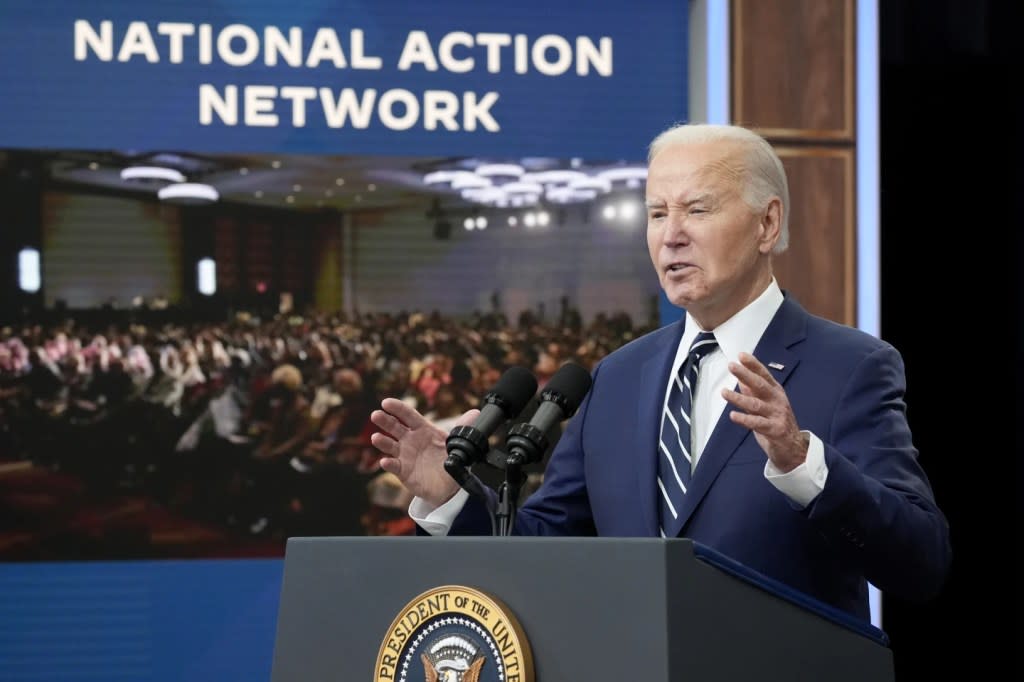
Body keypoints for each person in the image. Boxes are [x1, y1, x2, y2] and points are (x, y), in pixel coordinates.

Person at [368, 122, 951, 622]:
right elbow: (542, 549)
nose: (671, 234)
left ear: (767, 225)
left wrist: (803, 462)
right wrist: (450, 498)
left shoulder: (851, 367)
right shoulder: (620, 376)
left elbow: (920, 562)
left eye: (697, 209)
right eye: (656, 213)